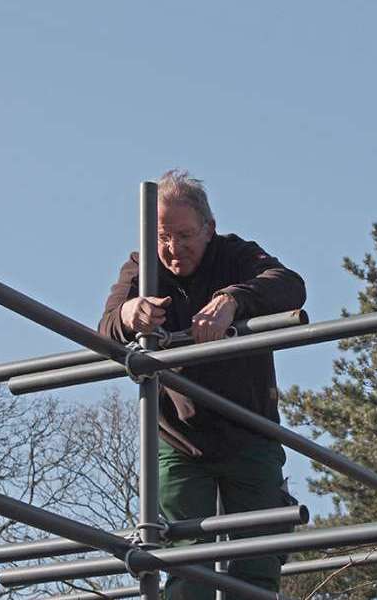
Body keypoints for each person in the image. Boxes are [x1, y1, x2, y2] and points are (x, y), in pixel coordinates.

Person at [99, 169, 306, 599]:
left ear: (209, 229)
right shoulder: (143, 267)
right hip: (179, 438)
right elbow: (105, 328)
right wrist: (129, 315)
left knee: (258, 557)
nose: (174, 249)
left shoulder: (235, 256)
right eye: (163, 236)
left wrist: (234, 300)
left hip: (249, 429)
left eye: (185, 235)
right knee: (182, 561)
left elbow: (290, 286)